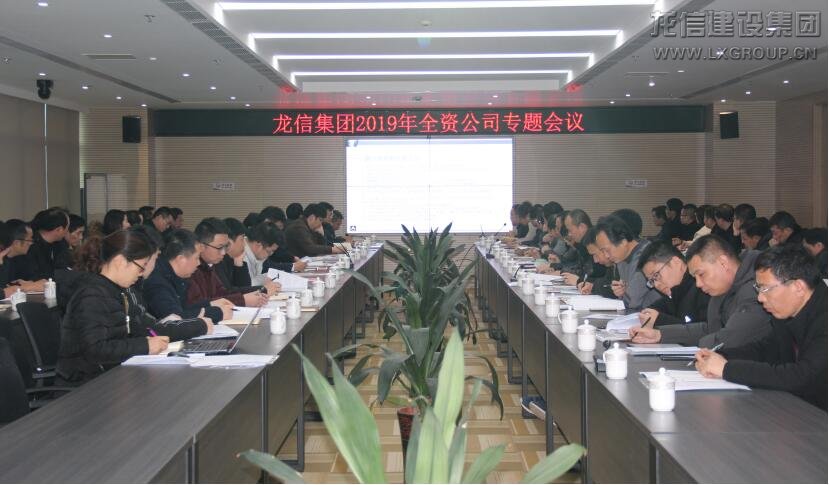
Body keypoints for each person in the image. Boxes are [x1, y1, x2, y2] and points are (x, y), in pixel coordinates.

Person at [57, 230, 206, 385]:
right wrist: (145, 345)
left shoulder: (113, 291)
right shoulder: (91, 295)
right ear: (120, 262)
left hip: (110, 375)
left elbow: (130, 332)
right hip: (87, 384)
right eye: (140, 267)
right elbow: (95, 350)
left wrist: (151, 337)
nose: (141, 274)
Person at [694, 245, 826, 410]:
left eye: (765, 288)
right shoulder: (785, 313)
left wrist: (727, 369)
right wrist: (721, 355)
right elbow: (765, 350)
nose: (760, 298)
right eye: (758, 288)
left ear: (798, 287)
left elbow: (803, 376)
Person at [630, 235, 771, 348]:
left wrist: (699, 347)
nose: (698, 283)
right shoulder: (721, 289)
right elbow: (709, 329)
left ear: (723, 263)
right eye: (695, 277)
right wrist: (660, 334)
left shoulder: (756, 290)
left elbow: (728, 339)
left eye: (701, 274)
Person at [143, 228, 233, 323]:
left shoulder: (175, 277)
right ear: (181, 259)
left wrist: (210, 304)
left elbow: (183, 308)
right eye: (197, 258)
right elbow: (174, 318)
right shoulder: (157, 283)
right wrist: (217, 313)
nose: (198, 263)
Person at [187, 218, 269, 309]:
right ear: (201, 246)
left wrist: (257, 291)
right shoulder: (191, 268)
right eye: (219, 247)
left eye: (226, 246)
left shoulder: (209, 264)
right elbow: (200, 304)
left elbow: (222, 292)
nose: (223, 252)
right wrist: (243, 300)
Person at [636, 240, 709, 327]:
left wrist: (660, 321)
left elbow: (706, 330)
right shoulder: (674, 295)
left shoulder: (703, 289)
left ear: (676, 262)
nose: (656, 285)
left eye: (656, 275)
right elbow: (653, 310)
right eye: (651, 281)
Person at [594, 215, 660, 310]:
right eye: (602, 251)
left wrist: (624, 294)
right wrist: (621, 292)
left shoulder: (646, 255)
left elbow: (632, 301)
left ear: (623, 242)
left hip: (657, 314)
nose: (606, 256)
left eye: (607, 250)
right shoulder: (621, 258)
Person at [26, 207, 72, 280]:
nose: (67, 231)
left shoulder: (60, 244)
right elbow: (33, 276)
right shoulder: (30, 246)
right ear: (59, 229)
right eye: (67, 228)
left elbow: (63, 267)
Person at [243, 222, 288, 287]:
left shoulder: (255, 253)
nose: (270, 254)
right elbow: (245, 285)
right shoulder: (240, 254)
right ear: (259, 245)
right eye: (269, 251)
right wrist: (264, 279)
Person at [578, 226, 617, 299]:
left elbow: (612, 288)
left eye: (595, 254)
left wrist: (592, 286)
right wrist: (591, 286)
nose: (595, 260)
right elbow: (607, 282)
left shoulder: (621, 263)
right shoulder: (612, 266)